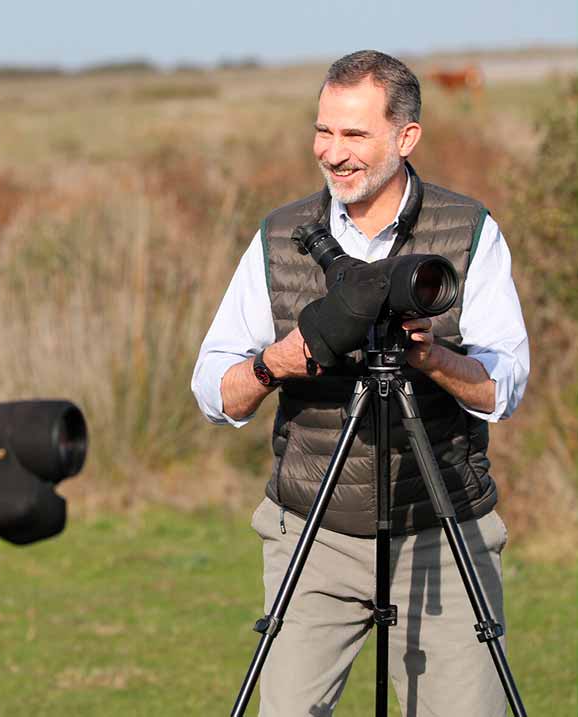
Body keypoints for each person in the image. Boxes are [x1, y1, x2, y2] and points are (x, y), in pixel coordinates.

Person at [191, 50, 528, 716]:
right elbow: (211, 388)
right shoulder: (283, 235)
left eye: (354, 135)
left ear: (406, 138)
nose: (332, 152)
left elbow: (504, 386)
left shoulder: (469, 233)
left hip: (440, 530)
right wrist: (274, 363)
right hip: (313, 534)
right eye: (323, 131)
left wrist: (433, 360)